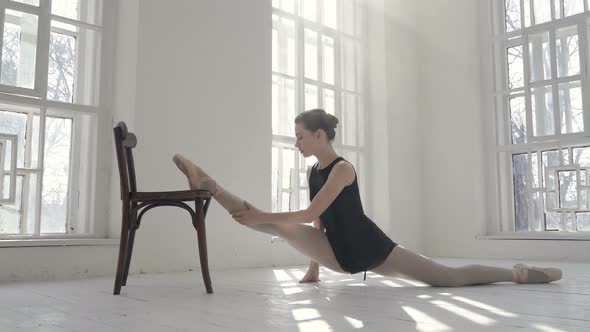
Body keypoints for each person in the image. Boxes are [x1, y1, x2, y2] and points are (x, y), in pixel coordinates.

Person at [172, 109, 562, 286]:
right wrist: (314, 269)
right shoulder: (314, 170)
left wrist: (260, 219)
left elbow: (310, 212)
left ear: (320, 136)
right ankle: (212, 186)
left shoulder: (342, 169)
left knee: (447, 278)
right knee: (271, 222)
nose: (296, 143)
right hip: (342, 252)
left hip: (369, 247)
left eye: (301, 136)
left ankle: (518, 274)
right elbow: (319, 224)